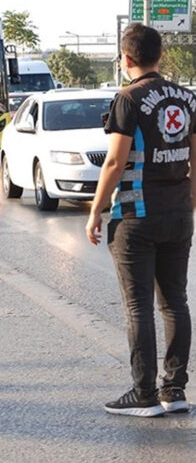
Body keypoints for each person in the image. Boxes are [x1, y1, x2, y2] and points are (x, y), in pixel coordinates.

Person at [86, 23, 194, 418]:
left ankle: (144, 393)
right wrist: (190, 200)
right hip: (179, 213)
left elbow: (114, 161)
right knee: (176, 303)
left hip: (137, 215)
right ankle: (175, 390)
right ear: (160, 56)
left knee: (139, 308)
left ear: (126, 58)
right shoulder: (186, 98)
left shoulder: (128, 99)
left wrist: (96, 210)